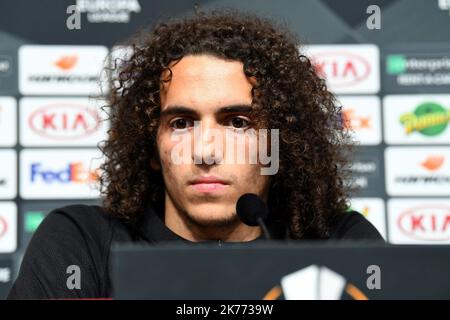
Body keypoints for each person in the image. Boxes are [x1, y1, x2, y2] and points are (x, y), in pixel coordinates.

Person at [8, 9, 382, 299]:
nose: (205, 151)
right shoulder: (83, 242)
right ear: (152, 147)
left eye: (237, 123)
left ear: (275, 146)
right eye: (182, 123)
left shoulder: (340, 244)